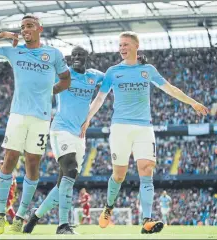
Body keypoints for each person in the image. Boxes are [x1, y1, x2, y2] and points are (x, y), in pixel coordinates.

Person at [80, 31, 209, 234]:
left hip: (144, 128)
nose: (122, 48)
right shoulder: (113, 71)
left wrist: (192, 102)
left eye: (126, 44)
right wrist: (87, 119)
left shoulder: (148, 70)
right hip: (120, 128)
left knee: (147, 170)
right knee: (119, 175)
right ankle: (108, 207)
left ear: (136, 46)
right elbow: (99, 99)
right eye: (120, 45)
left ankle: (147, 220)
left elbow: (170, 89)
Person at [22, 46, 148, 234]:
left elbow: (115, 76)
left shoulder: (94, 76)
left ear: (87, 58)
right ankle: (63, 225)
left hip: (79, 135)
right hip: (61, 129)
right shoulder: (63, 74)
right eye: (74, 55)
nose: (77, 58)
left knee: (62, 183)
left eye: (81, 55)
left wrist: (136, 63)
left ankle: (35, 216)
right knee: (70, 171)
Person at [0, 15, 71, 234]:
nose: (25, 29)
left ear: (39, 29)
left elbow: (66, 79)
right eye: (22, 27)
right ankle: (0, 214)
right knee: (9, 159)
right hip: (17, 114)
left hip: (41, 117)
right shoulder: (14, 51)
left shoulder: (53, 54)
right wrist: (2, 35)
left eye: (30, 26)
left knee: (33, 164)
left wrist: (50, 91)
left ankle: (20, 216)